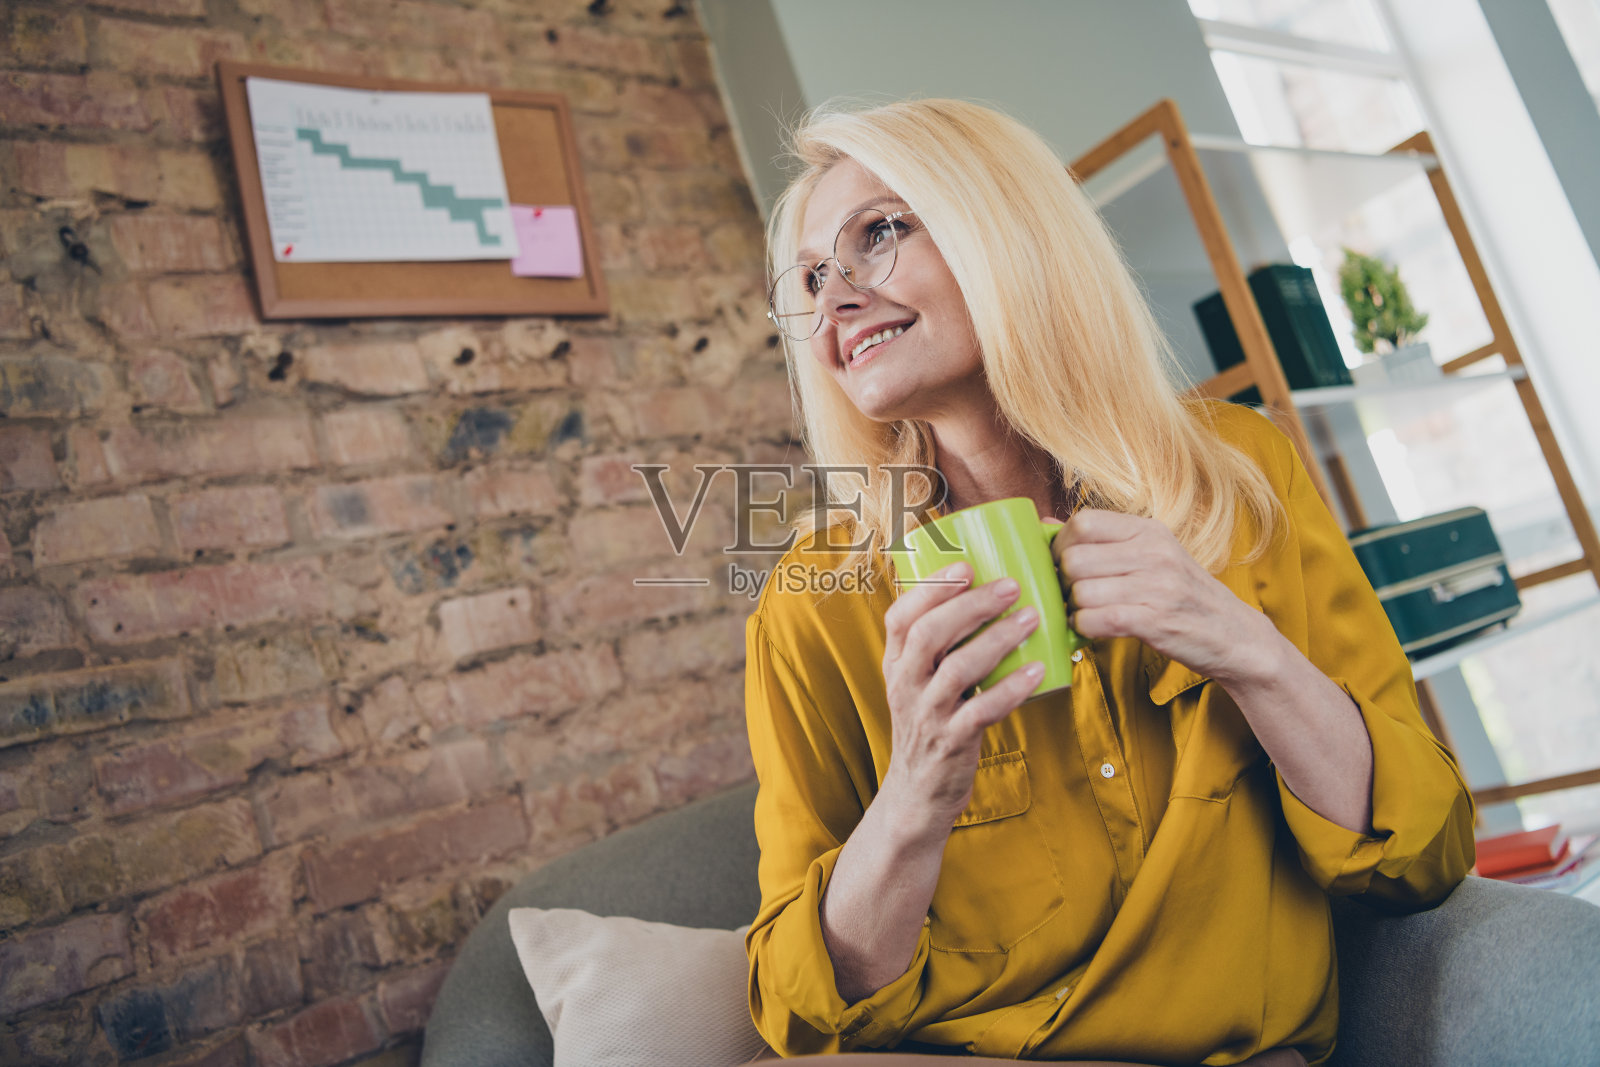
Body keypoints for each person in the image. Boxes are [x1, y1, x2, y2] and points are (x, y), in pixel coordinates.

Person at [741, 98, 1475, 1066]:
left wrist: (1246, 652)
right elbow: (799, 1010)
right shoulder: (815, 594)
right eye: (809, 278)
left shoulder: (1236, 472)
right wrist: (917, 786)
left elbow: (1418, 852)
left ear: (1006, 228)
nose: (833, 296)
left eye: (876, 233)